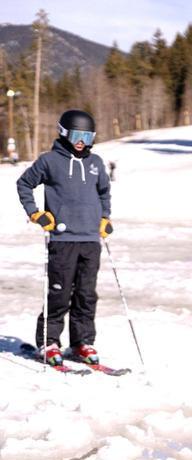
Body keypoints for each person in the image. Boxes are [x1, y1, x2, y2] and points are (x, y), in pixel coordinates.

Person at [16, 109, 112, 367]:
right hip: (62, 239)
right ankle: (49, 342)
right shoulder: (49, 161)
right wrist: (36, 214)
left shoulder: (96, 163)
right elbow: (24, 184)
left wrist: (105, 217)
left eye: (87, 136)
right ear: (64, 133)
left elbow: (104, 192)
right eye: (77, 135)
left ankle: (82, 342)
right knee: (59, 293)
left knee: (86, 294)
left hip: (91, 239)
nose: (82, 141)